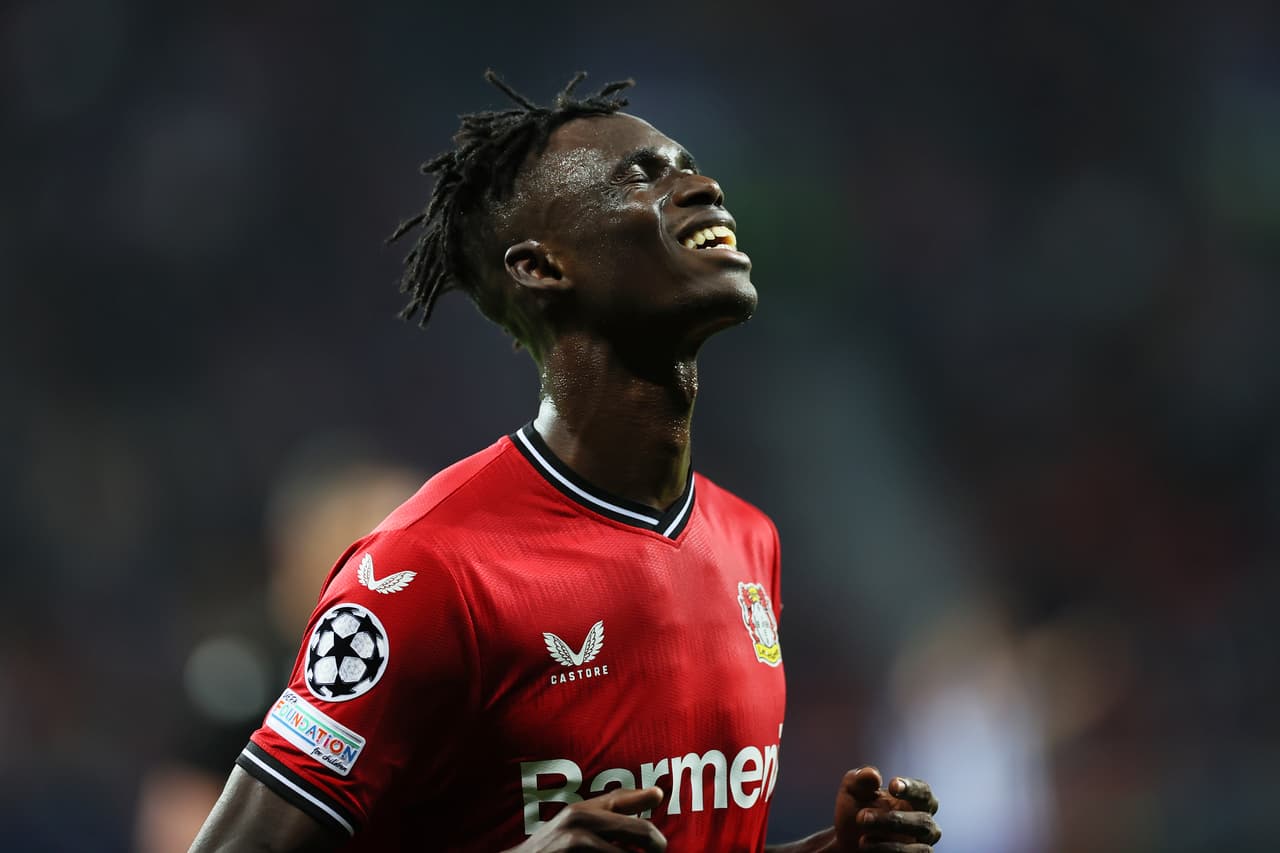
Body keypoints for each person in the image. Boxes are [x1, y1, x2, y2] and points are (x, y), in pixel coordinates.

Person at [190, 71, 943, 853]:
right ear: (541, 267)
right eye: (644, 175)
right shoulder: (427, 572)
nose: (702, 185)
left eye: (688, 165)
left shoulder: (748, 539)